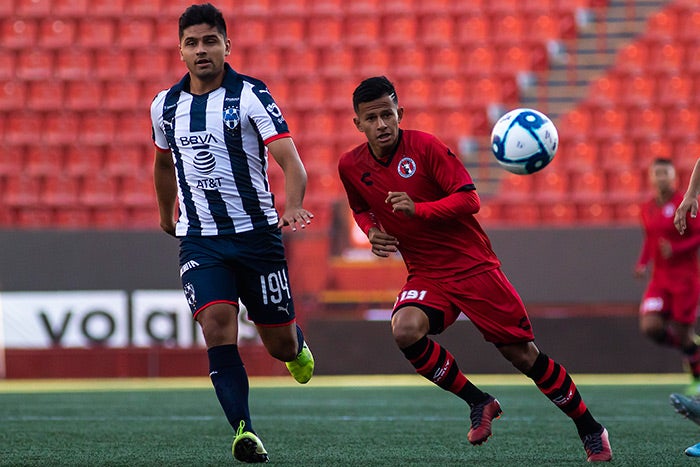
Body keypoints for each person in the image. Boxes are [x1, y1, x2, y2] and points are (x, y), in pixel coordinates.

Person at [337, 76, 612, 462]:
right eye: (372, 118)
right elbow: (360, 207)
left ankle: (590, 428)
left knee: (523, 357)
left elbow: (470, 200)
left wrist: (420, 210)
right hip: (426, 273)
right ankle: (479, 401)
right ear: (358, 124)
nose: (382, 124)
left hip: (472, 266)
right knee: (404, 329)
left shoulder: (427, 147)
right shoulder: (350, 165)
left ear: (400, 113)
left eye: (387, 115)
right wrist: (372, 232)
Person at [150, 4, 314, 463]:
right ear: (180, 50)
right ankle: (244, 430)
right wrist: (167, 213)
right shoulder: (164, 105)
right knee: (217, 325)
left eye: (209, 40)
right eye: (192, 42)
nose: (201, 50)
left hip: (257, 236)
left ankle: (295, 343)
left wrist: (295, 203)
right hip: (201, 240)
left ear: (226, 45)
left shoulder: (252, 95)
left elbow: (289, 158)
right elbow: (163, 163)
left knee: (278, 344)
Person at [635, 158, 700, 395]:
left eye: (665, 173)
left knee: (683, 331)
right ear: (651, 177)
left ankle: (696, 376)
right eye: (656, 173)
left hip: (685, 278)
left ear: (674, 177)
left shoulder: (686, 203)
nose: (660, 177)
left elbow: (698, 236)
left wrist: (676, 250)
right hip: (659, 279)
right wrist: (643, 263)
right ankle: (692, 350)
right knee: (650, 326)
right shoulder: (647, 207)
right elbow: (650, 240)